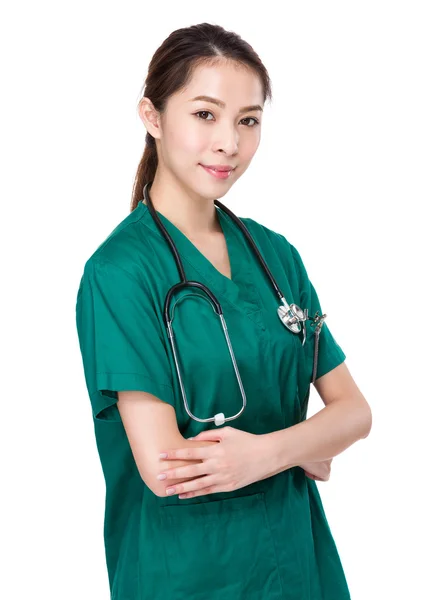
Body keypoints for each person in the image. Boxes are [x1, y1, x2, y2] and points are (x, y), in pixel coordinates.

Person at [75, 22, 372, 600]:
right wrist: (305, 447)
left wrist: (268, 453)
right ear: (153, 117)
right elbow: (165, 470)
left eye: (248, 120)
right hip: (186, 572)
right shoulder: (120, 273)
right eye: (205, 114)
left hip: (298, 562)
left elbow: (356, 413)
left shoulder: (274, 255)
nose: (229, 143)